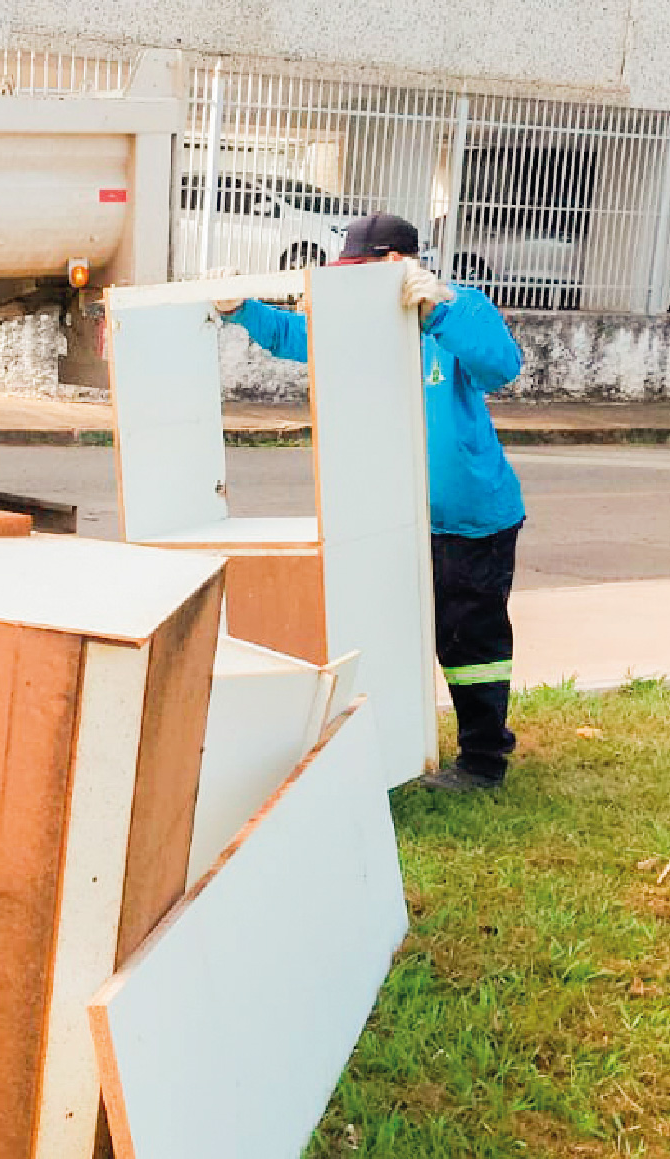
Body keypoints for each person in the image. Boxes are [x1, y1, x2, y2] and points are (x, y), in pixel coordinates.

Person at [215, 212, 526, 791]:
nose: (352, 282)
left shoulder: (461, 305)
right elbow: (295, 336)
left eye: (362, 270)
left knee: (470, 639)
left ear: (396, 264)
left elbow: (501, 367)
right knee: (390, 630)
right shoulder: (357, 321)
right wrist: (242, 309)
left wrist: (439, 312)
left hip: (468, 519)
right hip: (391, 517)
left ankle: (484, 760)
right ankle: (397, 748)